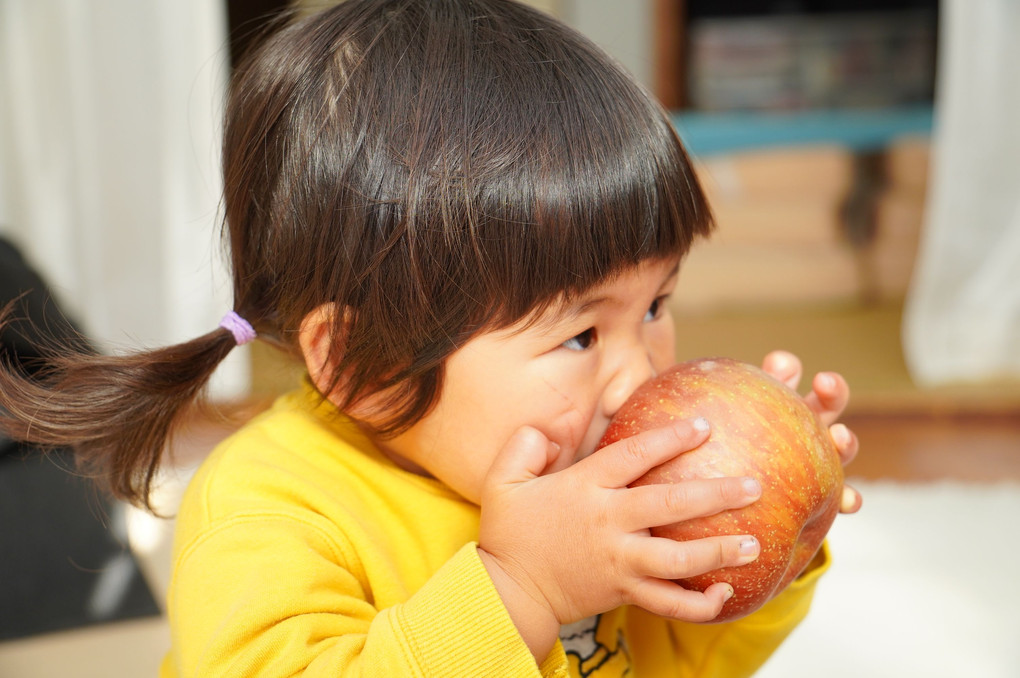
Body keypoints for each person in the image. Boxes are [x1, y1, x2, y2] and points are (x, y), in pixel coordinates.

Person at [0, 1, 862, 675]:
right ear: (364, 364)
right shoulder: (268, 512)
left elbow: (677, 665)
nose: (638, 374)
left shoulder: (587, 486)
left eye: (656, 306)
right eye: (578, 337)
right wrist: (519, 589)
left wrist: (760, 547)